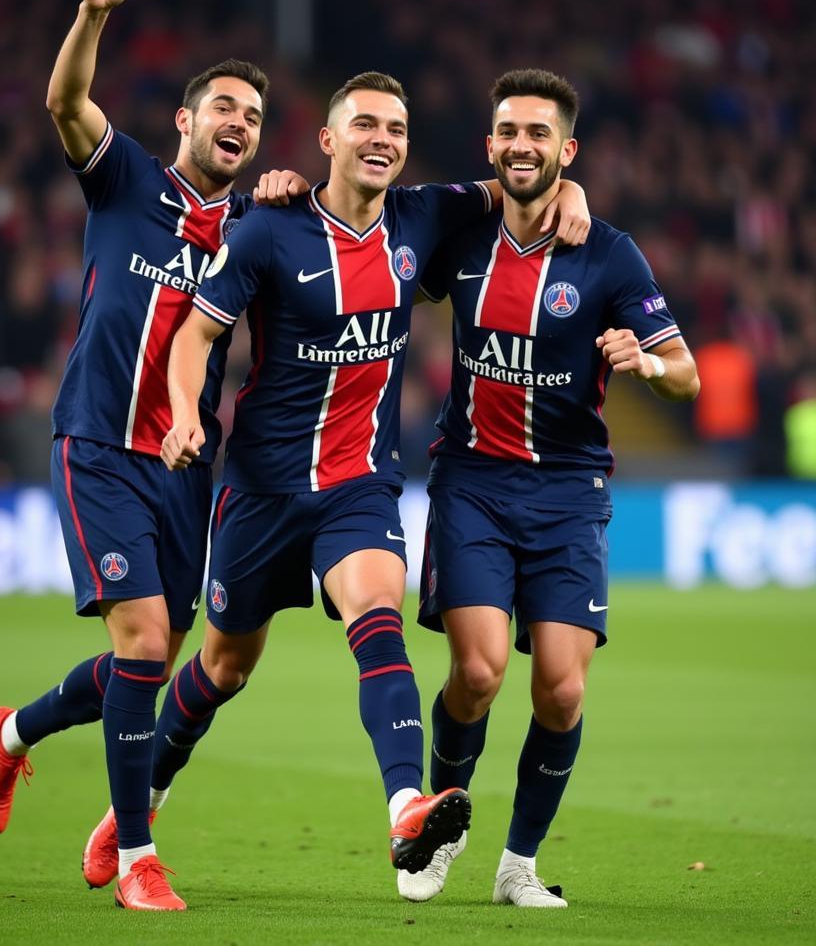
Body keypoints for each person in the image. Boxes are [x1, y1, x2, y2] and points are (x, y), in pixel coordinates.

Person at [151, 71, 591, 892]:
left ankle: (405, 810)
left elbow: (521, 176)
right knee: (223, 668)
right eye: (363, 125)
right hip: (261, 490)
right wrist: (184, 416)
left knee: (376, 610)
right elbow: (192, 340)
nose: (381, 138)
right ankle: (139, 801)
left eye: (395, 126)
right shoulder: (268, 228)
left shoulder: (424, 216)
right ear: (328, 141)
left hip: (360, 483)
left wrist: (576, 194)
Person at [0, 0, 303, 913]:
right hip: (100, 444)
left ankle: (13, 733)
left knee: (140, 660)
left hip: (187, 468)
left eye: (250, 114)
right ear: (185, 122)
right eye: (221, 109)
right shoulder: (126, 181)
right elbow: (66, 99)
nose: (236, 123)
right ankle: (138, 859)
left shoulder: (253, 231)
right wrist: (90, 15)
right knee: (148, 641)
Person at [397, 68, 700, 907]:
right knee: (481, 672)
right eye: (509, 132)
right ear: (489, 144)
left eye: (540, 134)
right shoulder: (463, 229)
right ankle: (435, 829)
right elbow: (370, 224)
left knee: (562, 687)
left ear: (566, 150)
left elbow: (688, 375)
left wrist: (646, 362)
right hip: (472, 484)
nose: (522, 145)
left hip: (568, 491)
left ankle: (518, 866)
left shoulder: (608, 251)